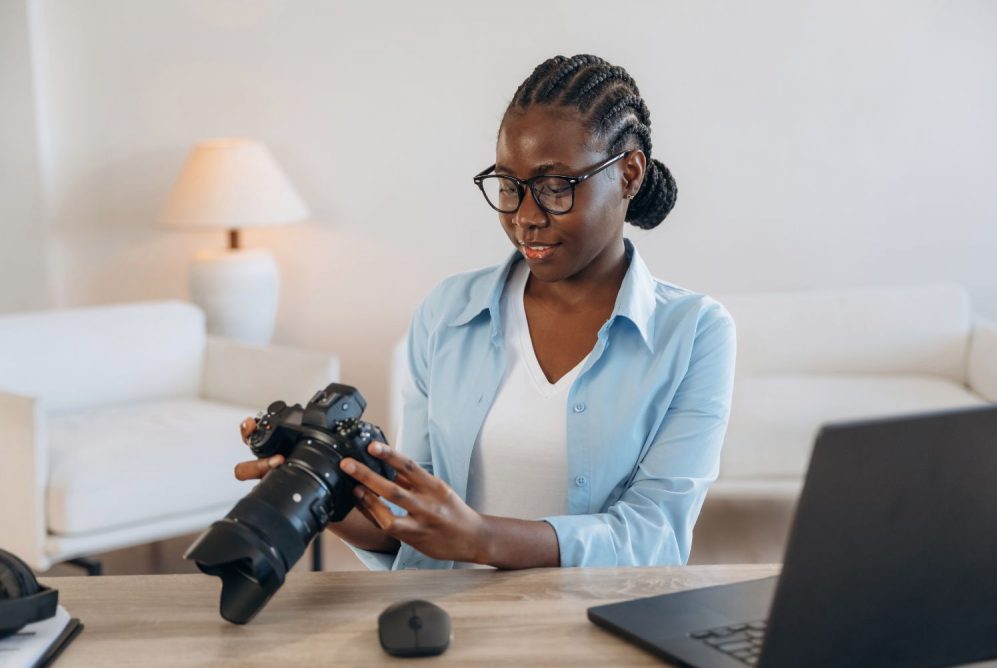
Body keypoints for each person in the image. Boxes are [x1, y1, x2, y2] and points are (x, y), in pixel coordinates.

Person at [235, 54, 736, 571]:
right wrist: (323, 498)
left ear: (628, 174)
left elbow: (654, 534)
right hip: (451, 628)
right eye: (508, 186)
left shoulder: (694, 332)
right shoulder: (448, 313)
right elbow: (421, 525)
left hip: (597, 628)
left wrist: (482, 538)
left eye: (555, 186)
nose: (525, 218)